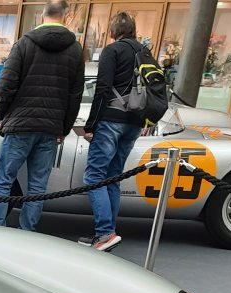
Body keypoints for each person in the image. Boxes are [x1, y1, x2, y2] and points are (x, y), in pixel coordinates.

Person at [0, 0, 84, 232]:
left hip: (19, 125)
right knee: (38, 185)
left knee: (3, 180)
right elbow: (75, 95)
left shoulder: (24, 44)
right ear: (66, 16)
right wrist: (64, 128)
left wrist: (4, 116)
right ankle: (27, 233)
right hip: (50, 129)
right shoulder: (75, 49)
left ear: (42, 15)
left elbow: (6, 84)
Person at [80, 12, 145, 252]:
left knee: (94, 177)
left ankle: (105, 232)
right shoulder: (144, 52)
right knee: (113, 177)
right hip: (135, 122)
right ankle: (107, 232)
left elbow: (103, 89)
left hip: (111, 120)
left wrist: (90, 126)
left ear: (112, 32)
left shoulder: (112, 51)